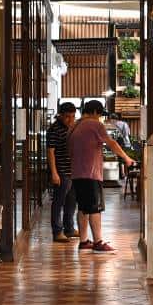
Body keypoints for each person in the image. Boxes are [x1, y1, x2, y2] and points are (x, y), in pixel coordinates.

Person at [68, 100, 135, 254]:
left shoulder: (74, 126)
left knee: (83, 208)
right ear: (94, 112)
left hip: (76, 173)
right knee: (95, 208)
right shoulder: (95, 124)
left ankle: (84, 241)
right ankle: (98, 242)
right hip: (90, 172)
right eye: (99, 114)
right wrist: (126, 158)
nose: (100, 118)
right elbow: (111, 143)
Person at [47, 102, 79, 242]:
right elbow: (50, 152)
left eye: (73, 116)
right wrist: (54, 173)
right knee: (58, 202)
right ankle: (57, 231)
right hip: (61, 172)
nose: (70, 120)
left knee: (71, 202)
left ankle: (69, 229)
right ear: (60, 115)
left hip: (73, 172)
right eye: (67, 117)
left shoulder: (72, 127)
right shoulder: (54, 129)